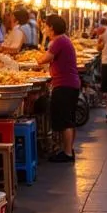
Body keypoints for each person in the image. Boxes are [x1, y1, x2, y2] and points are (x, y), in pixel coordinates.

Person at [33, 15, 80, 163]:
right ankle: (68, 149)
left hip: (64, 84)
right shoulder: (63, 40)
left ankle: (66, 153)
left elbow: (43, 60)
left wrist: (36, 56)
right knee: (69, 119)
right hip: (70, 83)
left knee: (65, 120)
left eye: (46, 26)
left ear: (51, 27)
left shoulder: (58, 41)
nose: (45, 29)